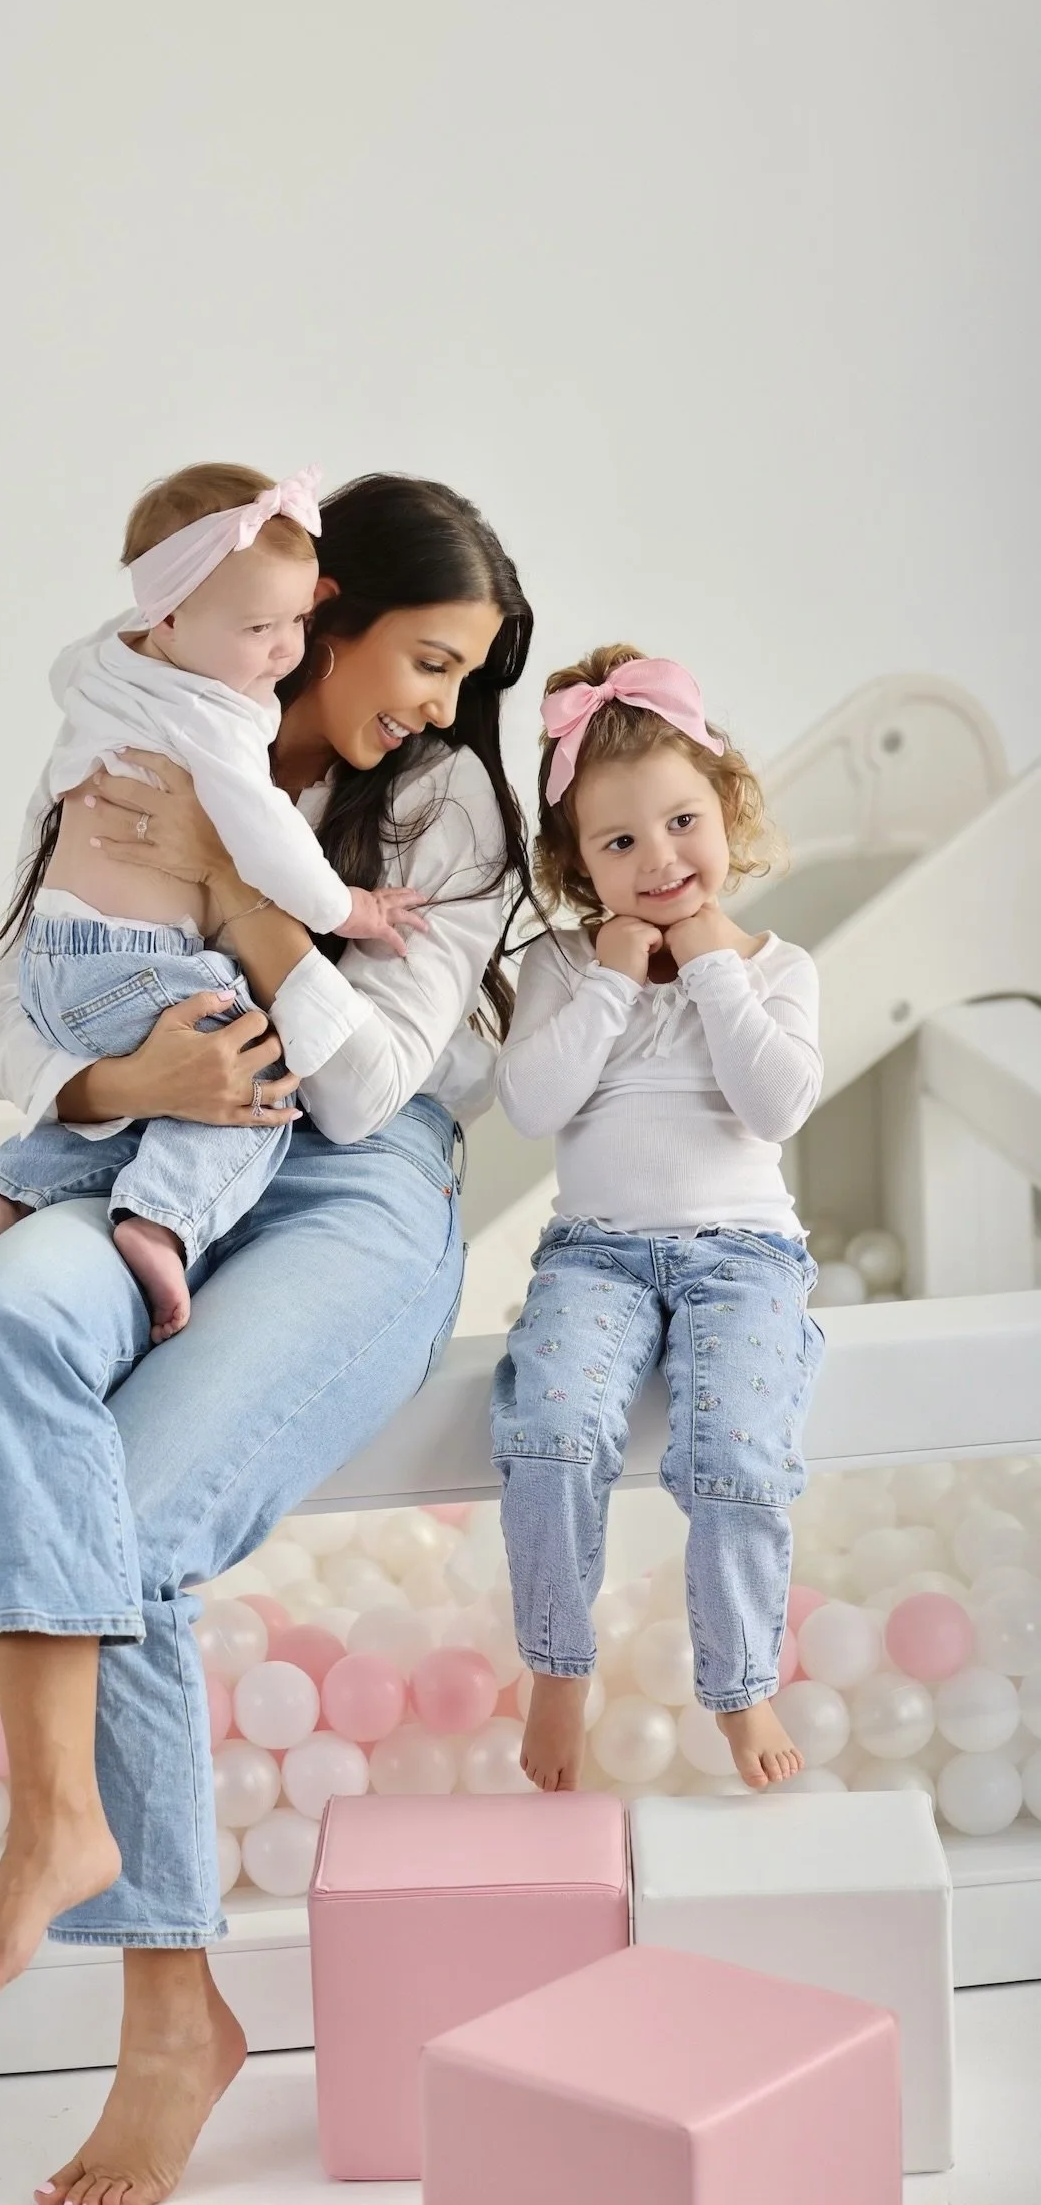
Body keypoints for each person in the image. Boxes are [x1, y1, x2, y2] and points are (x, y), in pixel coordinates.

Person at [0, 471, 535, 2205]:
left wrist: (233, 891)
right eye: (422, 657)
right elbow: (11, 993)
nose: (435, 701)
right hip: (145, 1149)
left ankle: (159, 2018)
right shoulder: (149, 710)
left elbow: (361, 1081)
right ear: (316, 614)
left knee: (129, 1510)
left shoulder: (446, 808)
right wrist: (128, 1080)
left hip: (346, 1191)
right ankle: (63, 1819)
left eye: (461, 676)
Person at [0, 460, 427, 1343]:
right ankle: (161, 1221)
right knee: (261, 1081)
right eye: (259, 628)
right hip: (131, 965)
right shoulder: (212, 716)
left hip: (59, 965)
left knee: (175, 1089)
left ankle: (18, 1180)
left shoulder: (106, 672)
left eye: (300, 620)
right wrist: (350, 912)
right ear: (167, 618)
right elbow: (272, 839)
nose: (286, 652)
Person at [492, 645, 824, 1796]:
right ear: (578, 865)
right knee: (554, 1436)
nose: (660, 860)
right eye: (619, 842)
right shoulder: (564, 969)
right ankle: (557, 1665)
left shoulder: (778, 970)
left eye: (683, 823)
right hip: (597, 1258)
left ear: (727, 811)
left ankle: (740, 1683)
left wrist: (710, 965)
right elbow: (532, 1106)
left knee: (735, 1457)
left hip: (745, 1259)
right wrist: (611, 982)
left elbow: (776, 1104)